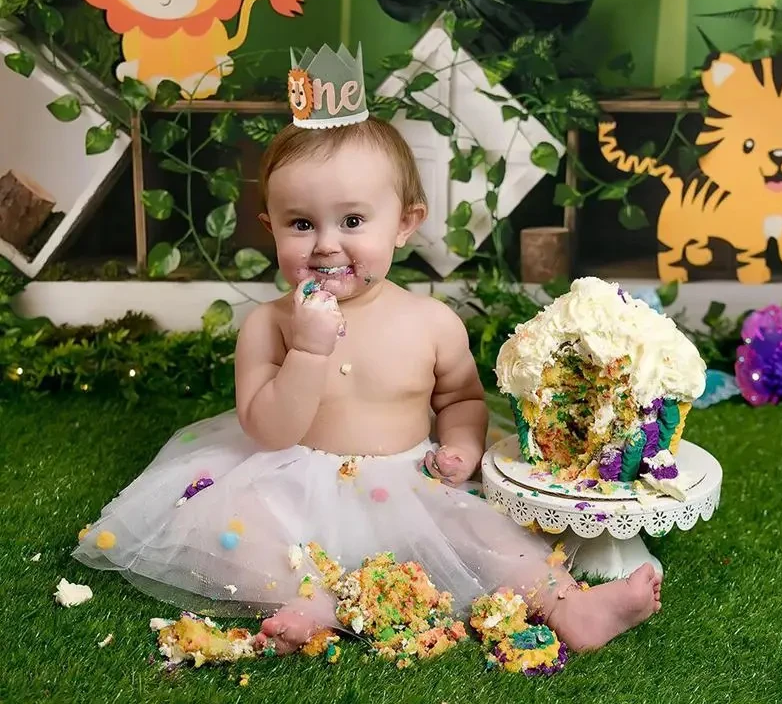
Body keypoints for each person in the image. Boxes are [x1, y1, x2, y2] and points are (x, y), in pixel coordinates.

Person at [73, 49, 661, 657]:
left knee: (487, 534)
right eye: (300, 224)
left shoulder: (430, 321)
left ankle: (574, 608)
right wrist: (306, 350)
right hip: (290, 477)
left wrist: (459, 445)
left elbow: (460, 396)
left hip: (408, 482)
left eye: (353, 219)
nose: (327, 245)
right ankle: (307, 599)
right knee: (241, 525)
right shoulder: (268, 328)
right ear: (268, 225)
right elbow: (268, 430)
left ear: (405, 223)